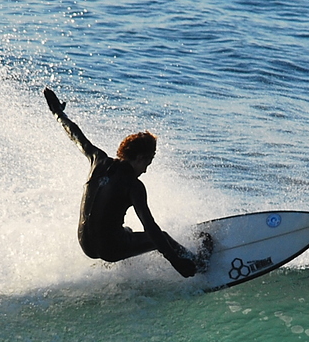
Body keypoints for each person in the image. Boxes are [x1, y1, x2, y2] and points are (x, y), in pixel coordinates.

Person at [44, 86, 204, 278]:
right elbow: (150, 227)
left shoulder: (98, 160)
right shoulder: (133, 185)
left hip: (85, 243)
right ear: (138, 158)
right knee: (162, 237)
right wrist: (176, 261)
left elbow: (76, 135)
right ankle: (199, 262)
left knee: (126, 230)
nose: (145, 169)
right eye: (147, 163)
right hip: (110, 249)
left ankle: (111, 267)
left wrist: (58, 113)